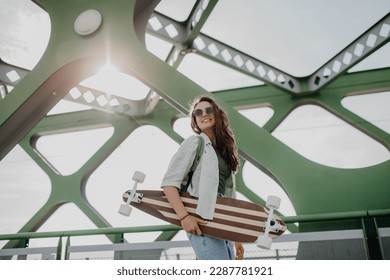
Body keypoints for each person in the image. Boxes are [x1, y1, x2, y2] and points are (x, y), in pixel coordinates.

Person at [161, 95, 244, 260]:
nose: (203, 114)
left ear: (217, 114)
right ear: (194, 120)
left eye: (208, 110)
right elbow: (169, 184)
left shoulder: (224, 152)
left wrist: (236, 237)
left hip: (223, 223)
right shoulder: (194, 143)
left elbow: (229, 198)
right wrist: (184, 217)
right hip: (202, 221)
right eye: (198, 112)